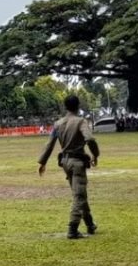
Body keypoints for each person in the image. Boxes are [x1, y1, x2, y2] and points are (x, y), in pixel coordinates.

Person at [38, 95, 100, 239]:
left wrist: (42, 162)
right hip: (77, 162)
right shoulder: (80, 121)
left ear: (65, 107)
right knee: (79, 196)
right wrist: (95, 154)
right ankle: (73, 229)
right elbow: (90, 138)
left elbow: (50, 144)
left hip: (65, 162)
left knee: (80, 193)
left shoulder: (58, 124)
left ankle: (90, 224)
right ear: (78, 106)